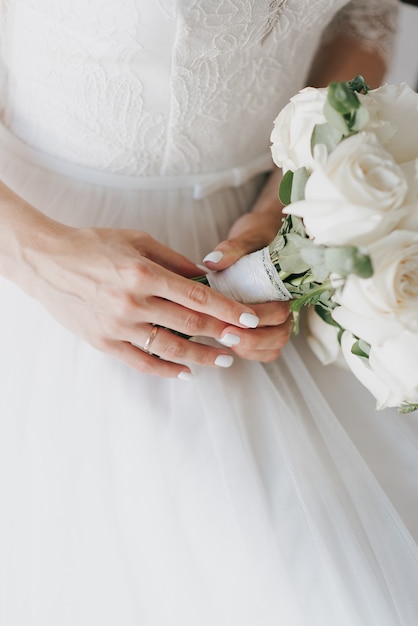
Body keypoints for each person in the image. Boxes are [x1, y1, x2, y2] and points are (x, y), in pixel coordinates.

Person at [0, 1, 417, 624]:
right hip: (47, 241)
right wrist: (42, 260)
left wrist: (291, 199)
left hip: (259, 229)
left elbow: (362, 17)